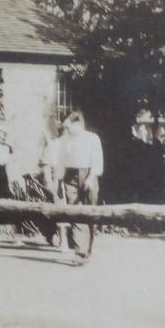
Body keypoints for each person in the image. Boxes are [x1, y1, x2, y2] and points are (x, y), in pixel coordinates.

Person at [57, 110, 104, 261]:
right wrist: (59, 182)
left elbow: (97, 161)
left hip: (88, 174)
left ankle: (87, 249)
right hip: (70, 176)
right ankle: (79, 252)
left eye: (68, 127)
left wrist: (91, 178)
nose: (66, 130)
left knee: (89, 213)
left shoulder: (92, 138)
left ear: (77, 124)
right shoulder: (65, 141)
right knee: (75, 211)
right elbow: (61, 161)